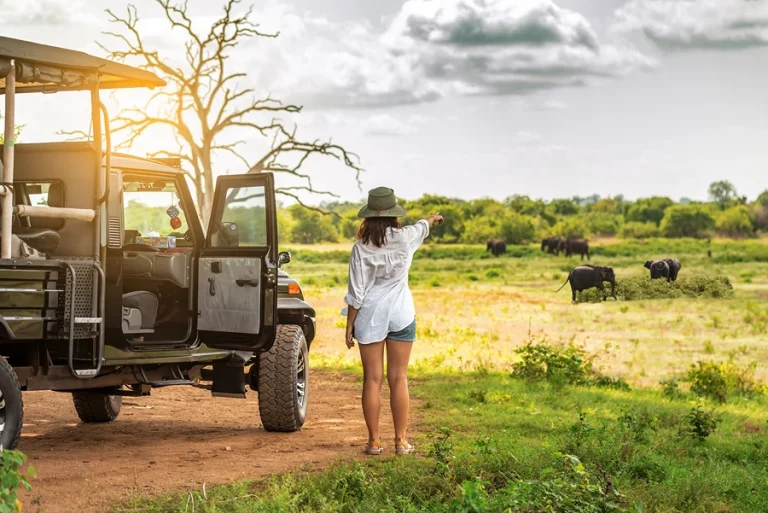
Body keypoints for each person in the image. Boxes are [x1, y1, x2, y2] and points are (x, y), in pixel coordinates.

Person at [344, 186, 443, 456]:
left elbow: (356, 292)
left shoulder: (360, 248)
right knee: (399, 378)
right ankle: (401, 441)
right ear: (394, 215)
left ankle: (374, 442)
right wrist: (433, 218)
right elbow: (422, 226)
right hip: (401, 313)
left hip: (369, 316)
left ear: (368, 217)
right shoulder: (406, 237)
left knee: (372, 379)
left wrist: (349, 325)